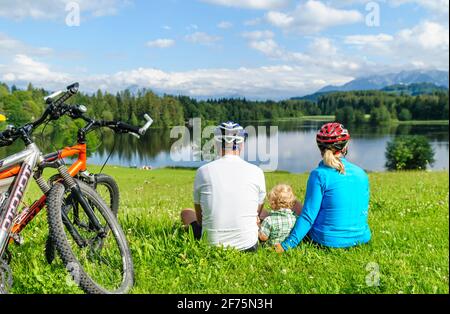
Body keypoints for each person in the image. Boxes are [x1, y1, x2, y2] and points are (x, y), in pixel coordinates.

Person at [275, 123, 371, 252]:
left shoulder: (319, 175)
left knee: (294, 204)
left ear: (320, 148)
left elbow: (308, 217)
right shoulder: (362, 174)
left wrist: (286, 246)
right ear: (345, 146)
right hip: (362, 238)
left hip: (327, 241)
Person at [181, 121, 266, 252]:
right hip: (249, 245)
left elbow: (200, 219)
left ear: (216, 144)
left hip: (211, 244)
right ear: (241, 144)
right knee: (264, 213)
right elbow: (257, 214)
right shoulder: (257, 171)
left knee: (186, 213)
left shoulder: (203, 171)